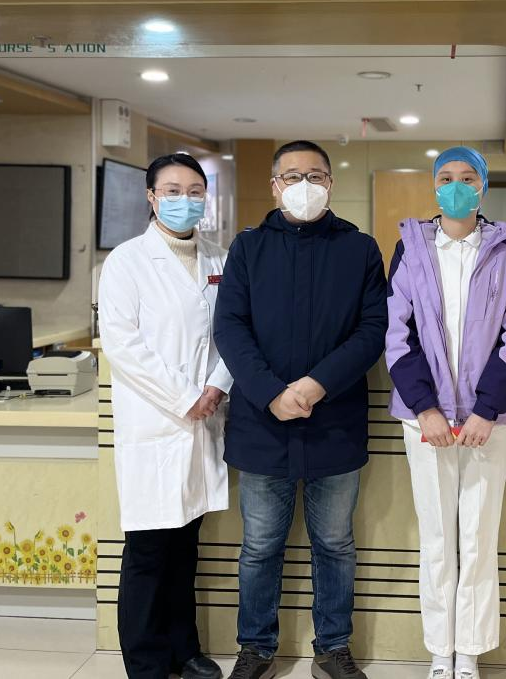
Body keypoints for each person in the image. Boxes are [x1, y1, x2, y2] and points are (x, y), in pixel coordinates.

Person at [213, 140, 387, 679]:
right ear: (274, 186)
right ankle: (256, 648)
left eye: (315, 175)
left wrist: (317, 384)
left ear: (331, 184)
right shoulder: (248, 248)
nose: (303, 184)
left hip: (334, 419)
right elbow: (230, 328)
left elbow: (372, 330)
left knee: (334, 543)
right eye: (292, 176)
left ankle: (332, 647)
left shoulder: (359, 249)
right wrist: (271, 392)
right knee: (259, 545)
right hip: (262, 422)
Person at [386, 147, 506, 679]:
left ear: (482, 186)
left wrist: (488, 408)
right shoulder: (411, 248)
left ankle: (468, 650)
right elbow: (397, 334)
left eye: (467, 177)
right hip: (423, 419)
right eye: (446, 177)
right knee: (436, 538)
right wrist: (424, 407)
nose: (456, 186)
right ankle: (438, 650)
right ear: (433, 185)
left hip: (487, 421)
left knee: (477, 536)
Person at [98, 153, 231, 679]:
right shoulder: (126, 261)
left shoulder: (220, 259)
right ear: (152, 197)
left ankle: (184, 650)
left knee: (185, 546)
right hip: (157, 422)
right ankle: (147, 662)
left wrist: (216, 387)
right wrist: (184, 398)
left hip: (204, 419)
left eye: (195, 191)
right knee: (149, 551)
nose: (185, 200)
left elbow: (234, 334)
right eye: (172, 190)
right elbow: (123, 345)